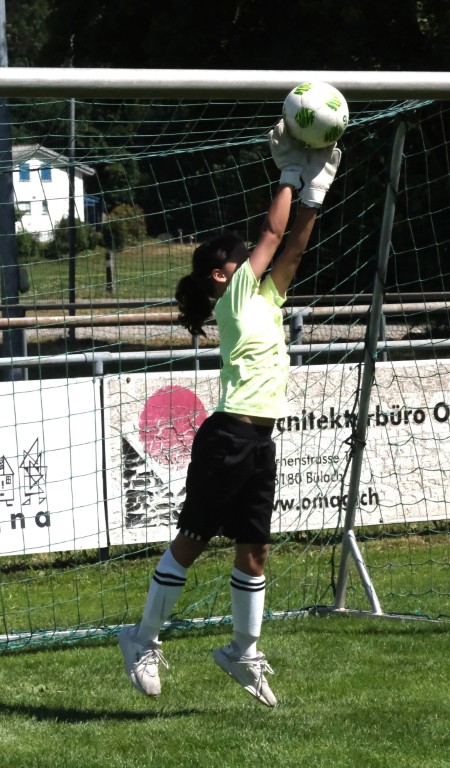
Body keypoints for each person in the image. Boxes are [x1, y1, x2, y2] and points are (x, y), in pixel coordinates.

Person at [118, 120, 341, 708]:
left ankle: (243, 651)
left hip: (259, 441)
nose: (254, 261)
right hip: (228, 437)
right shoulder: (235, 298)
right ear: (223, 275)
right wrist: (289, 174)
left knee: (255, 550)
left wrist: (315, 194)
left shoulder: (266, 297)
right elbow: (273, 230)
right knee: (192, 539)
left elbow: (292, 246)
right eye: (243, 260)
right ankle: (142, 637)